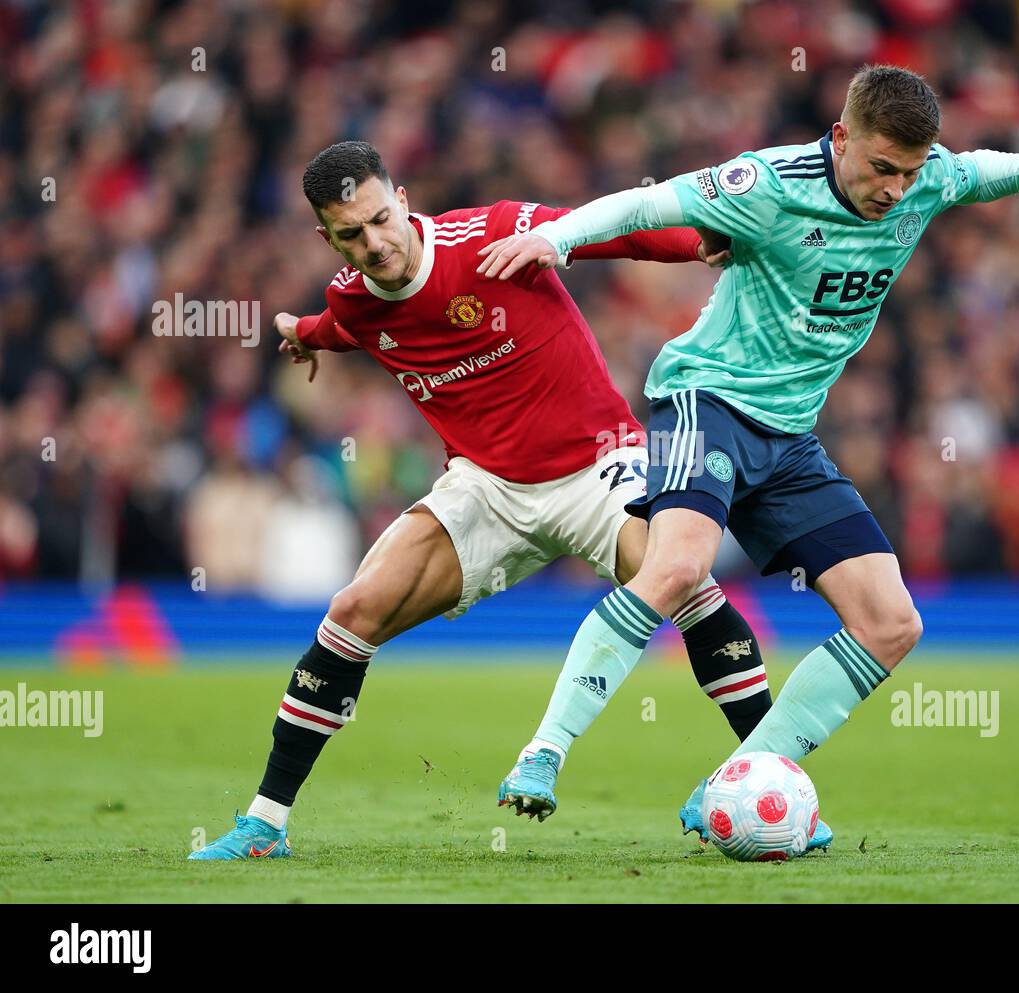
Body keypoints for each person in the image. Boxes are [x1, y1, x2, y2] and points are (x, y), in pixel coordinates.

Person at [477, 64, 1019, 845]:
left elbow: (975, 174)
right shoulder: (767, 182)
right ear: (842, 138)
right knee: (675, 567)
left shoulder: (926, 180)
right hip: (704, 401)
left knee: (892, 622)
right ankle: (542, 753)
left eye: (911, 172)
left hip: (788, 438)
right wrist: (557, 239)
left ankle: (736, 781)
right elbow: (649, 201)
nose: (895, 189)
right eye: (882, 168)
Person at [188, 140, 783, 860]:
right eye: (352, 234)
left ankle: (776, 782)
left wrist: (702, 242)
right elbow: (343, 323)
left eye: (382, 219)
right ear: (328, 237)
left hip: (599, 465)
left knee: (681, 578)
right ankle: (264, 824)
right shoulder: (354, 296)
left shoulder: (494, 234)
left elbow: (612, 230)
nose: (375, 243)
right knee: (352, 612)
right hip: (489, 488)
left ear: (402, 199)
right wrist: (305, 335)